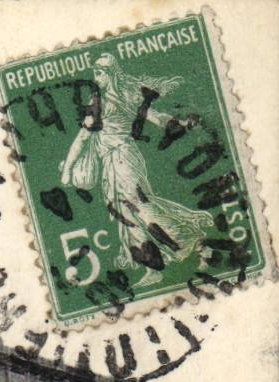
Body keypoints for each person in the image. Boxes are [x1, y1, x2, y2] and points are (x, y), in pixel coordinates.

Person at [58, 54, 213, 288]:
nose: (95, 76)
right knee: (126, 215)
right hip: (113, 163)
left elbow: (83, 138)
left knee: (141, 208)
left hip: (123, 160)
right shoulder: (111, 98)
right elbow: (154, 117)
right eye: (95, 71)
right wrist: (177, 123)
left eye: (100, 72)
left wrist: (68, 169)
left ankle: (194, 242)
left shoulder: (107, 101)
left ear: (110, 74)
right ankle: (152, 268)